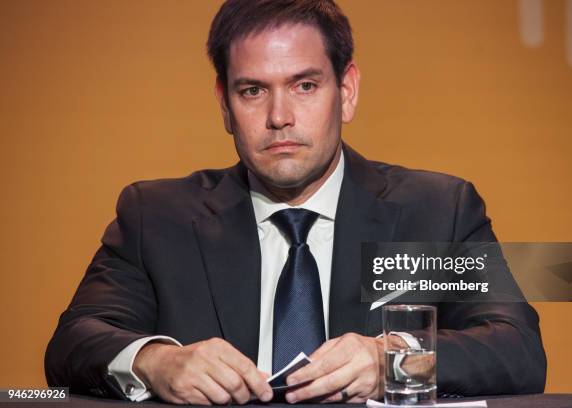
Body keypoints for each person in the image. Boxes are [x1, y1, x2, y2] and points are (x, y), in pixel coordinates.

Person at [45, 0, 546, 405]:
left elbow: (517, 349)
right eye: (252, 90)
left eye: (305, 85)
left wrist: (387, 360)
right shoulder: (156, 217)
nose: (279, 116)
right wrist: (155, 362)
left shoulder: (434, 211)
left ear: (346, 91)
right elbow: (74, 342)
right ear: (224, 103)